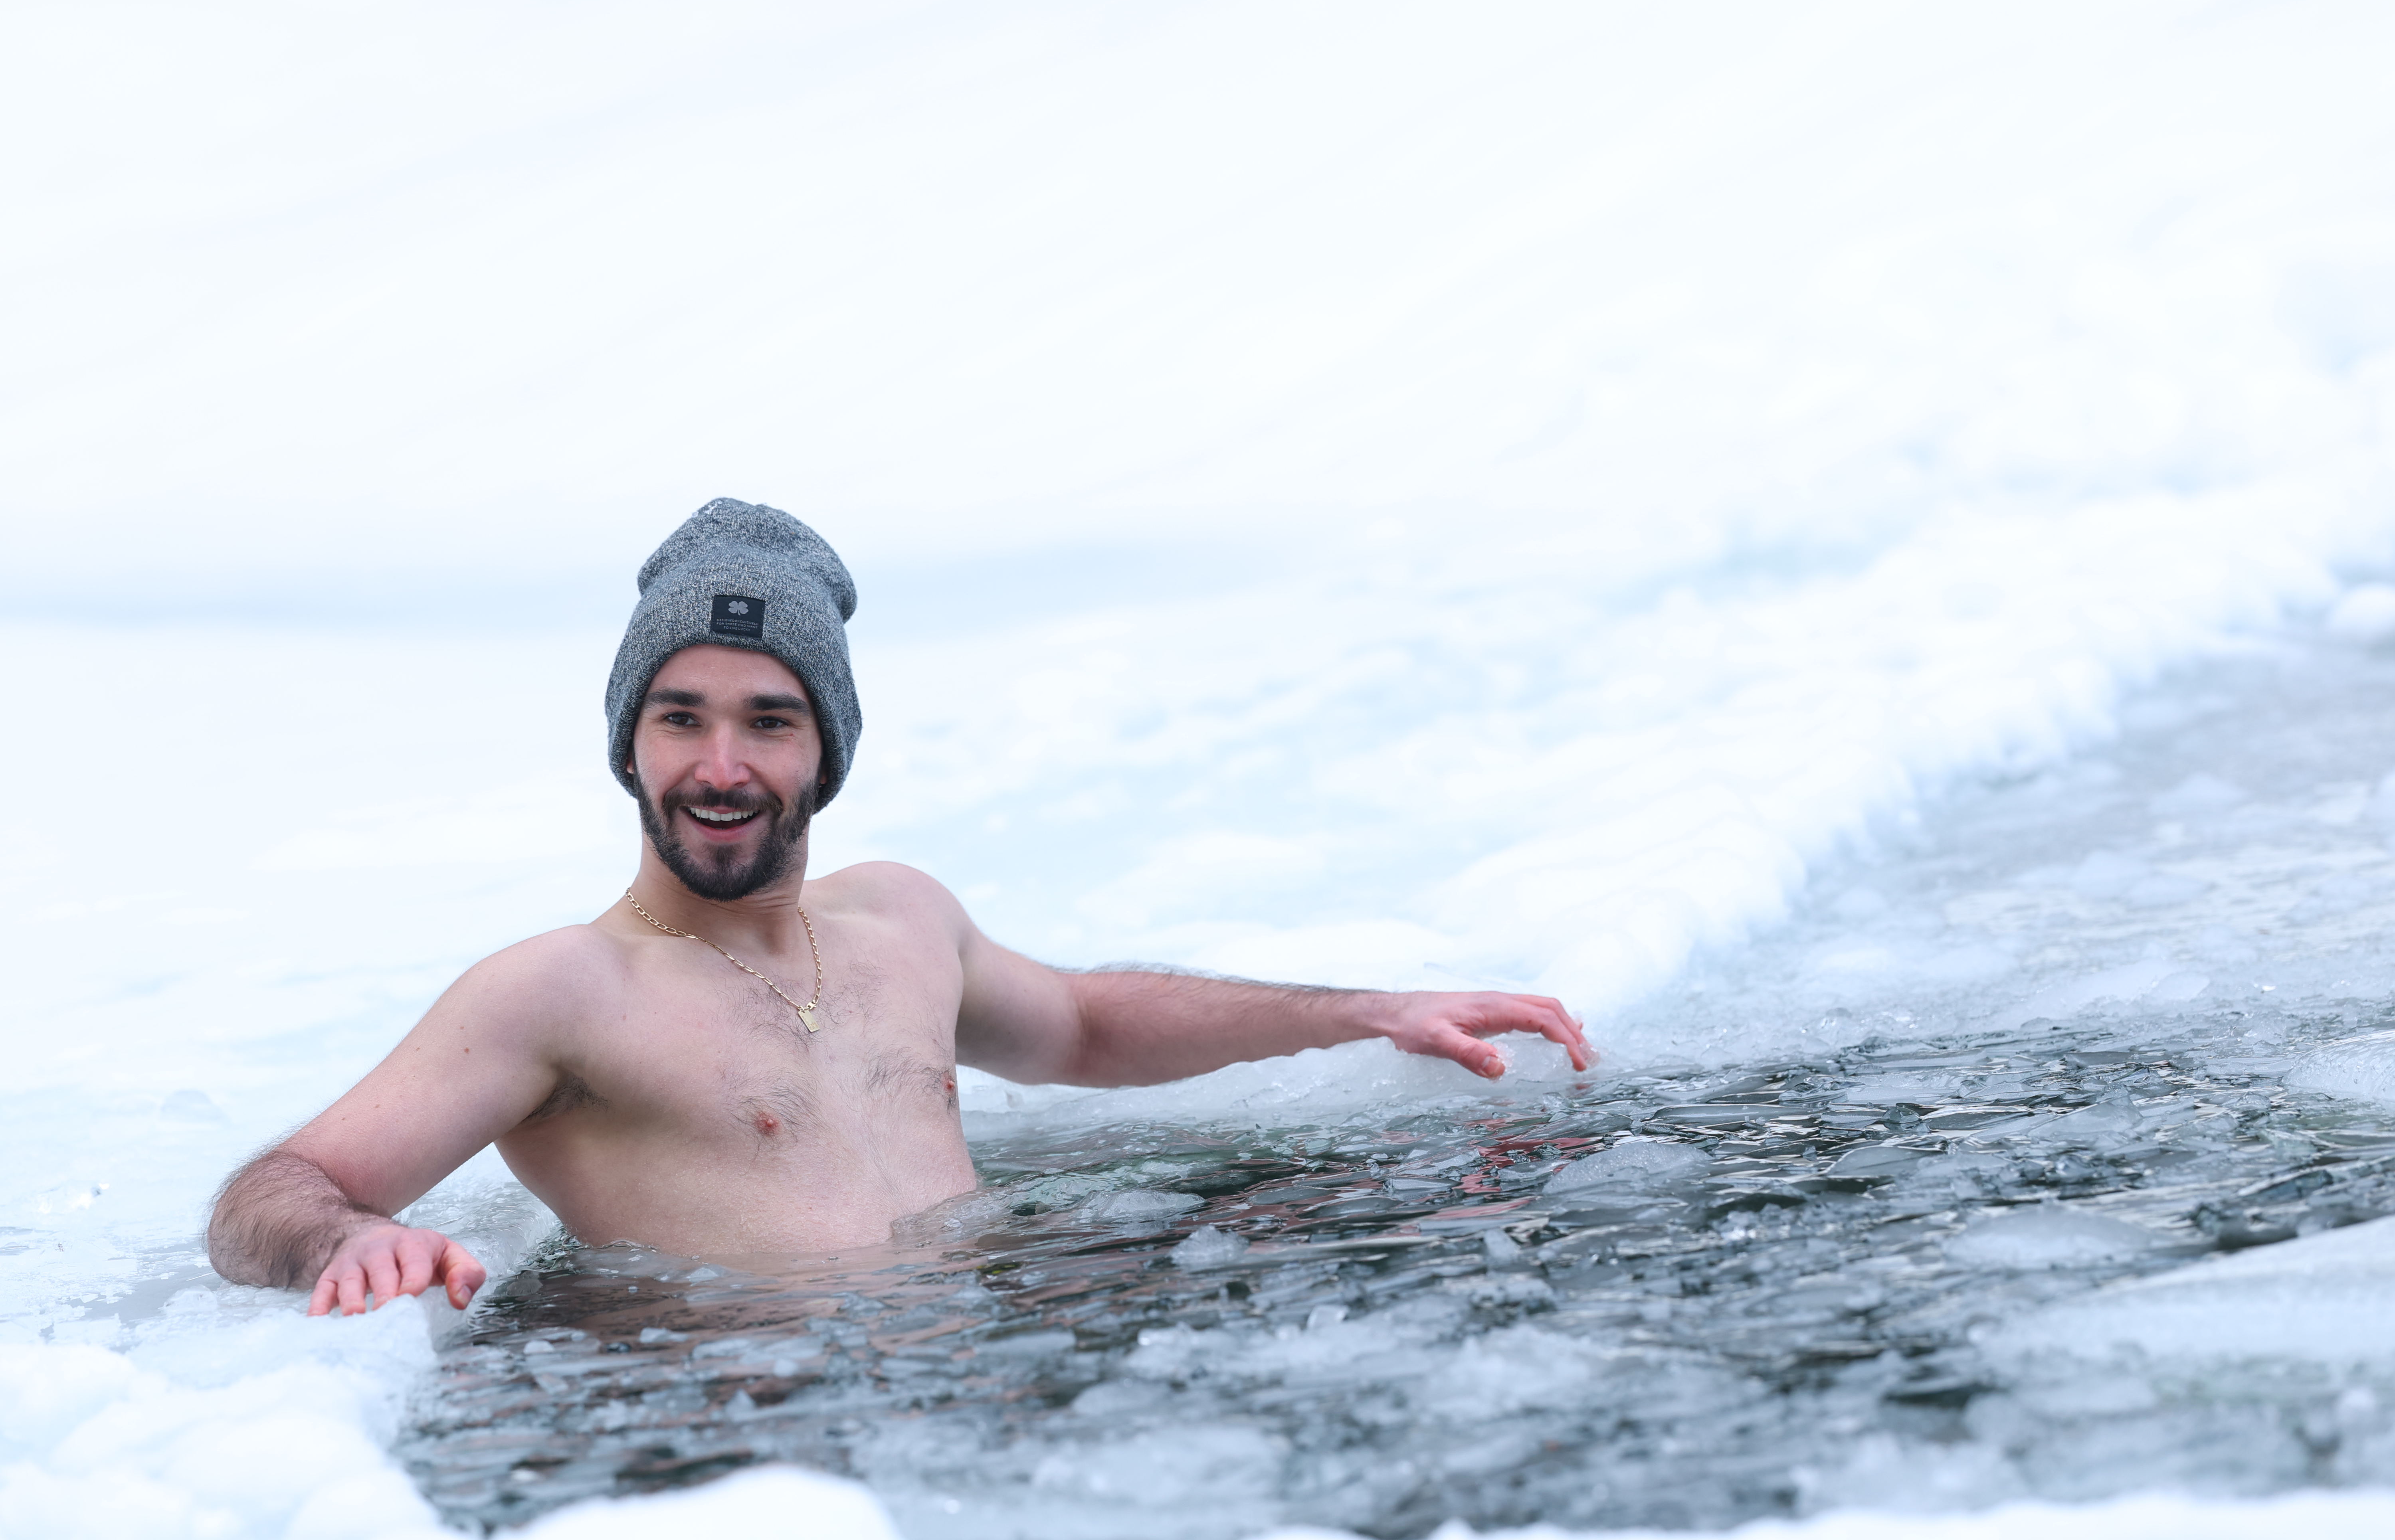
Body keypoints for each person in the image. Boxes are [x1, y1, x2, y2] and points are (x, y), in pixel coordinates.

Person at [207, 499, 1590, 1317]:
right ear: (630, 745)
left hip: (975, 1375)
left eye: (769, 721)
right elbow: (271, 1194)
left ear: (830, 752)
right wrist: (351, 1235)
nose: (721, 766)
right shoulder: (563, 994)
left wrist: (1370, 1012)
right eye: (680, 718)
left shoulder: (899, 924)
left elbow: (1087, 1027)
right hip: (733, 1445)